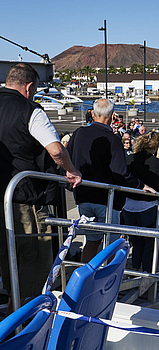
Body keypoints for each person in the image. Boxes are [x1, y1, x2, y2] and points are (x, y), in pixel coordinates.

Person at [0, 63, 82, 310]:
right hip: (26, 198)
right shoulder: (30, 110)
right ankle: (25, 314)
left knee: (7, 255)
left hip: (2, 196)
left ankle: (13, 308)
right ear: (29, 87)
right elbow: (56, 150)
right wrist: (71, 170)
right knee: (33, 257)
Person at [67, 99, 154, 263]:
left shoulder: (78, 133)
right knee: (112, 245)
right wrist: (141, 186)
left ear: (92, 114)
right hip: (107, 199)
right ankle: (109, 284)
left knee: (92, 242)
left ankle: (86, 280)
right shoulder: (113, 140)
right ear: (113, 116)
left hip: (83, 196)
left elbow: (67, 162)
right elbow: (120, 173)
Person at [124, 131, 159, 272]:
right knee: (149, 242)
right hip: (147, 206)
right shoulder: (154, 161)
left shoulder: (129, 159)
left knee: (136, 242)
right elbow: (157, 186)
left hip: (128, 206)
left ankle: (134, 270)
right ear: (154, 147)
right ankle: (147, 273)